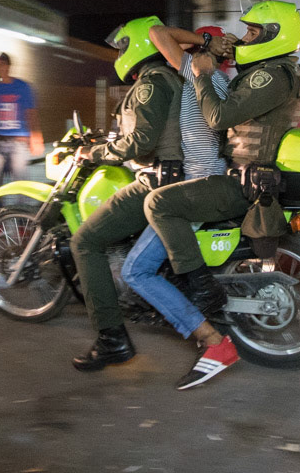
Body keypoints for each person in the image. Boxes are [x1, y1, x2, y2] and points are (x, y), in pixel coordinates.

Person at [144, 0, 300, 389]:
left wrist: (202, 71)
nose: (243, 39)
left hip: (239, 181)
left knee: (159, 203)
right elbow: (158, 33)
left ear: (273, 36)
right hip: (242, 173)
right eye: (242, 33)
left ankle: (200, 289)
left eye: (253, 31)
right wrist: (204, 48)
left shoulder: (269, 75)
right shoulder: (274, 72)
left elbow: (218, 115)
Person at [69, 16, 201, 375]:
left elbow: (141, 141)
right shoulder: (174, 76)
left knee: (84, 242)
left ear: (136, 46)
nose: (119, 55)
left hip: (157, 182)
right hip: (180, 176)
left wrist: (94, 153)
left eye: (122, 47)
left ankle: (112, 340)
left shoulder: (152, 82)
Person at [115, 23, 232, 368]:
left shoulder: (199, 75)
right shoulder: (220, 81)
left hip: (196, 184)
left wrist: (203, 42)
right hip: (210, 176)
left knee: (135, 270)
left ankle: (211, 340)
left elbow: (156, 33)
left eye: (191, 45)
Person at [0, 53, 43, 202]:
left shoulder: (23, 87)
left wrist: (36, 137)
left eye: (2, 65)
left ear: (8, 66)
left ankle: (22, 221)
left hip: (18, 141)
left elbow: (31, 112)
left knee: (20, 184)